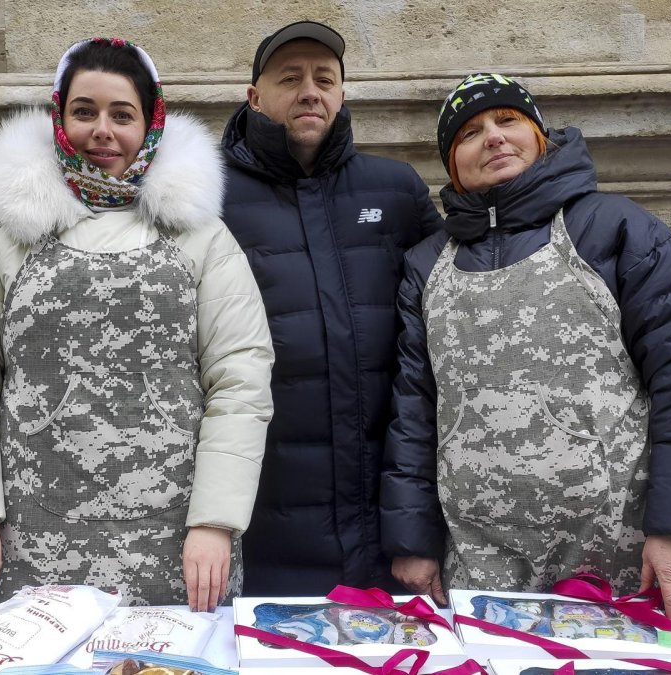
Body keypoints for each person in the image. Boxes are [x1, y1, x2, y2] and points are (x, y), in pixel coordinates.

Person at [0, 37, 274, 632]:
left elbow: (239, 380)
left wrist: (214, 521)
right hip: (26, 541)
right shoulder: (7, 233)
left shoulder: (201, 237)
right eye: (84, 111)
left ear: (151, 123)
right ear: (59, 118)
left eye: (122, 114)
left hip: (177, 546)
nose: (102, 131)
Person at [380, 73, 671, 623]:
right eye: (470, 132)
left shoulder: (614, 230)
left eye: (508, 120)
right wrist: (413, 542)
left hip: (616, 559)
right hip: (481, 568)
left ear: (539, 136)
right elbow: (414, 410)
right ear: (453, 164)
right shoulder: (428, 264)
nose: (494, 137)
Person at [220, 21, 443, 595]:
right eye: (289, 78)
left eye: (325, 78)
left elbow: (443, 323)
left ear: (343, 93)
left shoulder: (396, 189)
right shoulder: (208, 196)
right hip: (265, 510)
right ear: (255, 97)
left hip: (384, 512)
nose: (310, 91)